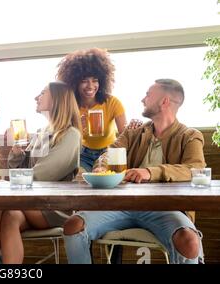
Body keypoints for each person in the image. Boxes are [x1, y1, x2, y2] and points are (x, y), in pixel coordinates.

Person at [63, 79, 205, 264]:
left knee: (189, 240)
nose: (142, 99)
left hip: (165, 208)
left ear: (164, 102)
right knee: (73, 225)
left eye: (148, 95)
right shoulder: (134, 132)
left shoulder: (190, 136)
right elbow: (109, 153)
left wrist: (150, 172)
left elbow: (195, 168)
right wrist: (101, 166)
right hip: (122, 205)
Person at [0, 81, 82, 264]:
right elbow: (22, 172)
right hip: (31, 201)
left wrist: (9, 183)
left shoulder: (71, 135)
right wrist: (16, 154)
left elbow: (40, 176)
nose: (37, 97)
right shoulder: (41, 133)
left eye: (43, 93)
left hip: (53, 206)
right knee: (10, 216)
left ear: (58, 100)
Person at [57, 48, 127, 172]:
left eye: (95, 80)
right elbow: (64, 139)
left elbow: (125, 136)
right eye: (84, 81)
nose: (90, 86)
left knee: (100, 175)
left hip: (108, 151)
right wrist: (78, 129)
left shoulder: (112, 102)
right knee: (79, 177)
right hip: (83, 153)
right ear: (74, 83)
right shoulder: (71, 106)